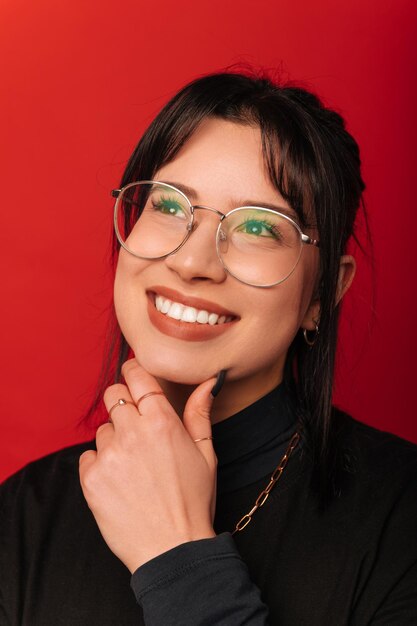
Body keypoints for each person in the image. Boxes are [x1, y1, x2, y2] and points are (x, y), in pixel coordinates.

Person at [1, 70, 417, 626]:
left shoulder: (401, 521)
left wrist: (176, 557)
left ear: (324, 293)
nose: (192, 262)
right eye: (169, 206)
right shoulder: (23, 515)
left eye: (259, 228)